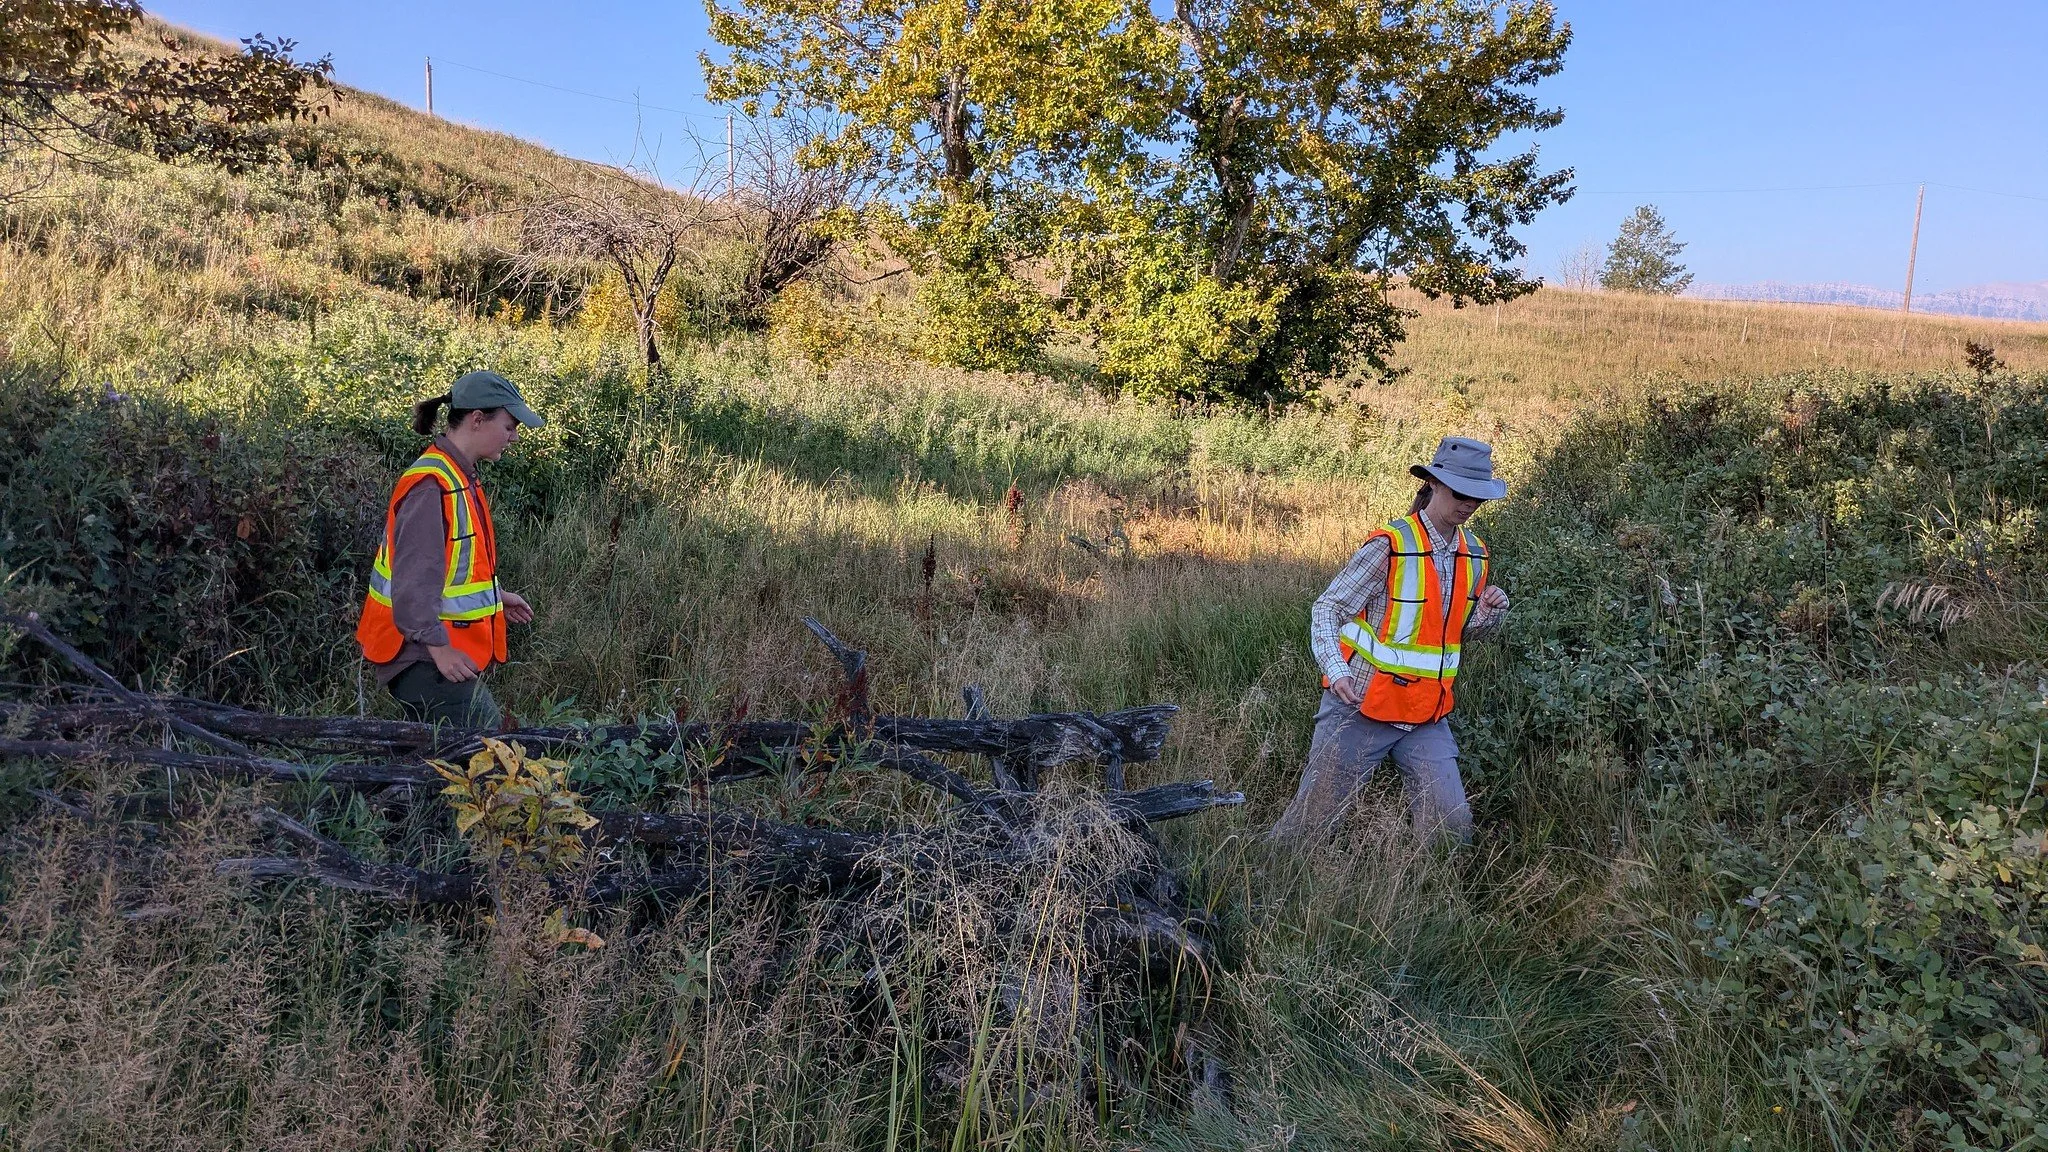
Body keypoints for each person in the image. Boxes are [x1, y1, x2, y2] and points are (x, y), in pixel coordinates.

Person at [1271, 436, 1512, 844]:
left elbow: (1455, 633)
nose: (1470, 503)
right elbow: (1328, 609)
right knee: (1308, 828)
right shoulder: (1390, 545)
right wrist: (1336, 669)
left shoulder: (1475, 553)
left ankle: (1432, 898)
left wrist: (1489, 615)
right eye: (1461, 492)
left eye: (1478, 496)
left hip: (1427, 716)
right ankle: (1264, 882)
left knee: (1450, 831)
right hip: (1361, 706)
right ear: (1434, 484)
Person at [354, 370, 545, 727]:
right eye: (509, 426)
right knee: (489, 746)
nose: (514, 437)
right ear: (477, 419)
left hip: (425, 648)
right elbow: (412, 583)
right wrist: (440, 649)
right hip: (418, 654)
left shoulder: (458, 476)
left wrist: (496, 597)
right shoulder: (433, 485)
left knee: (446, 756)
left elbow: (451, 568)